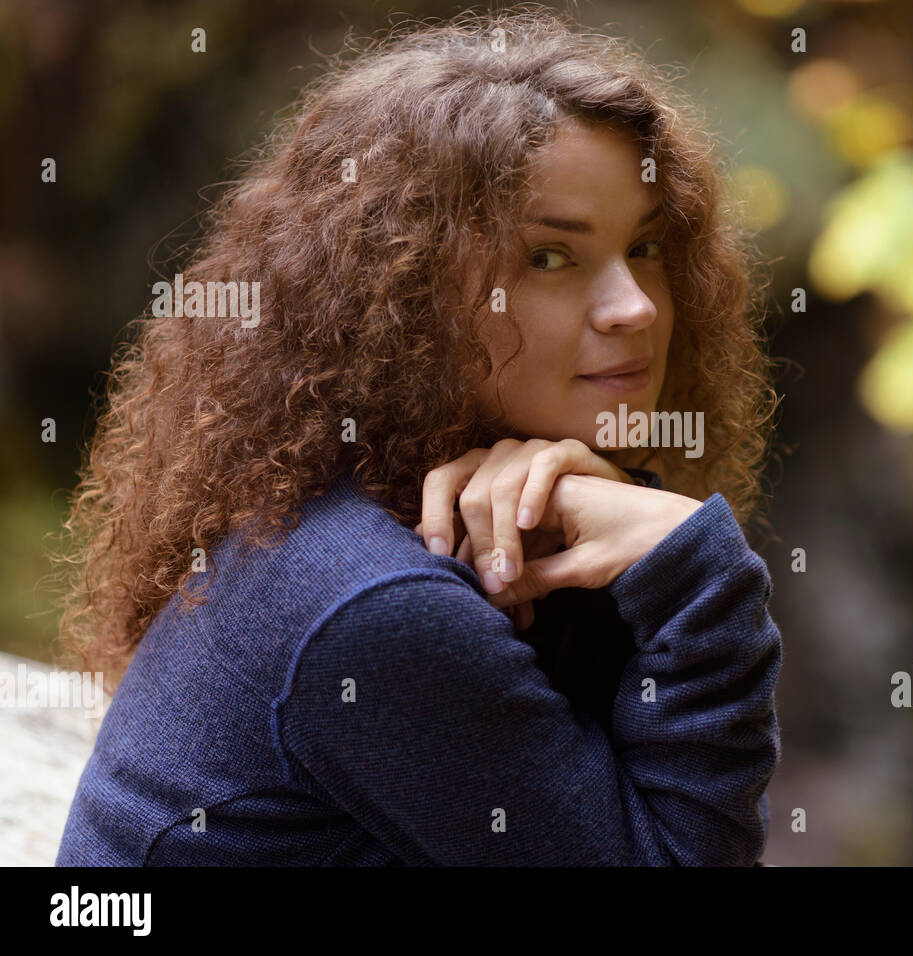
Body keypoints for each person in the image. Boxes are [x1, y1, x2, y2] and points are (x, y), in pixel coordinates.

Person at [53, 6, 782, 866]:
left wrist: (609, 507)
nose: (635, 307)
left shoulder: (380, 502)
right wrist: (697, 571)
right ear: (404, 298)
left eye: (648, 246)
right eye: (549, 257)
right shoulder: (373, 602)